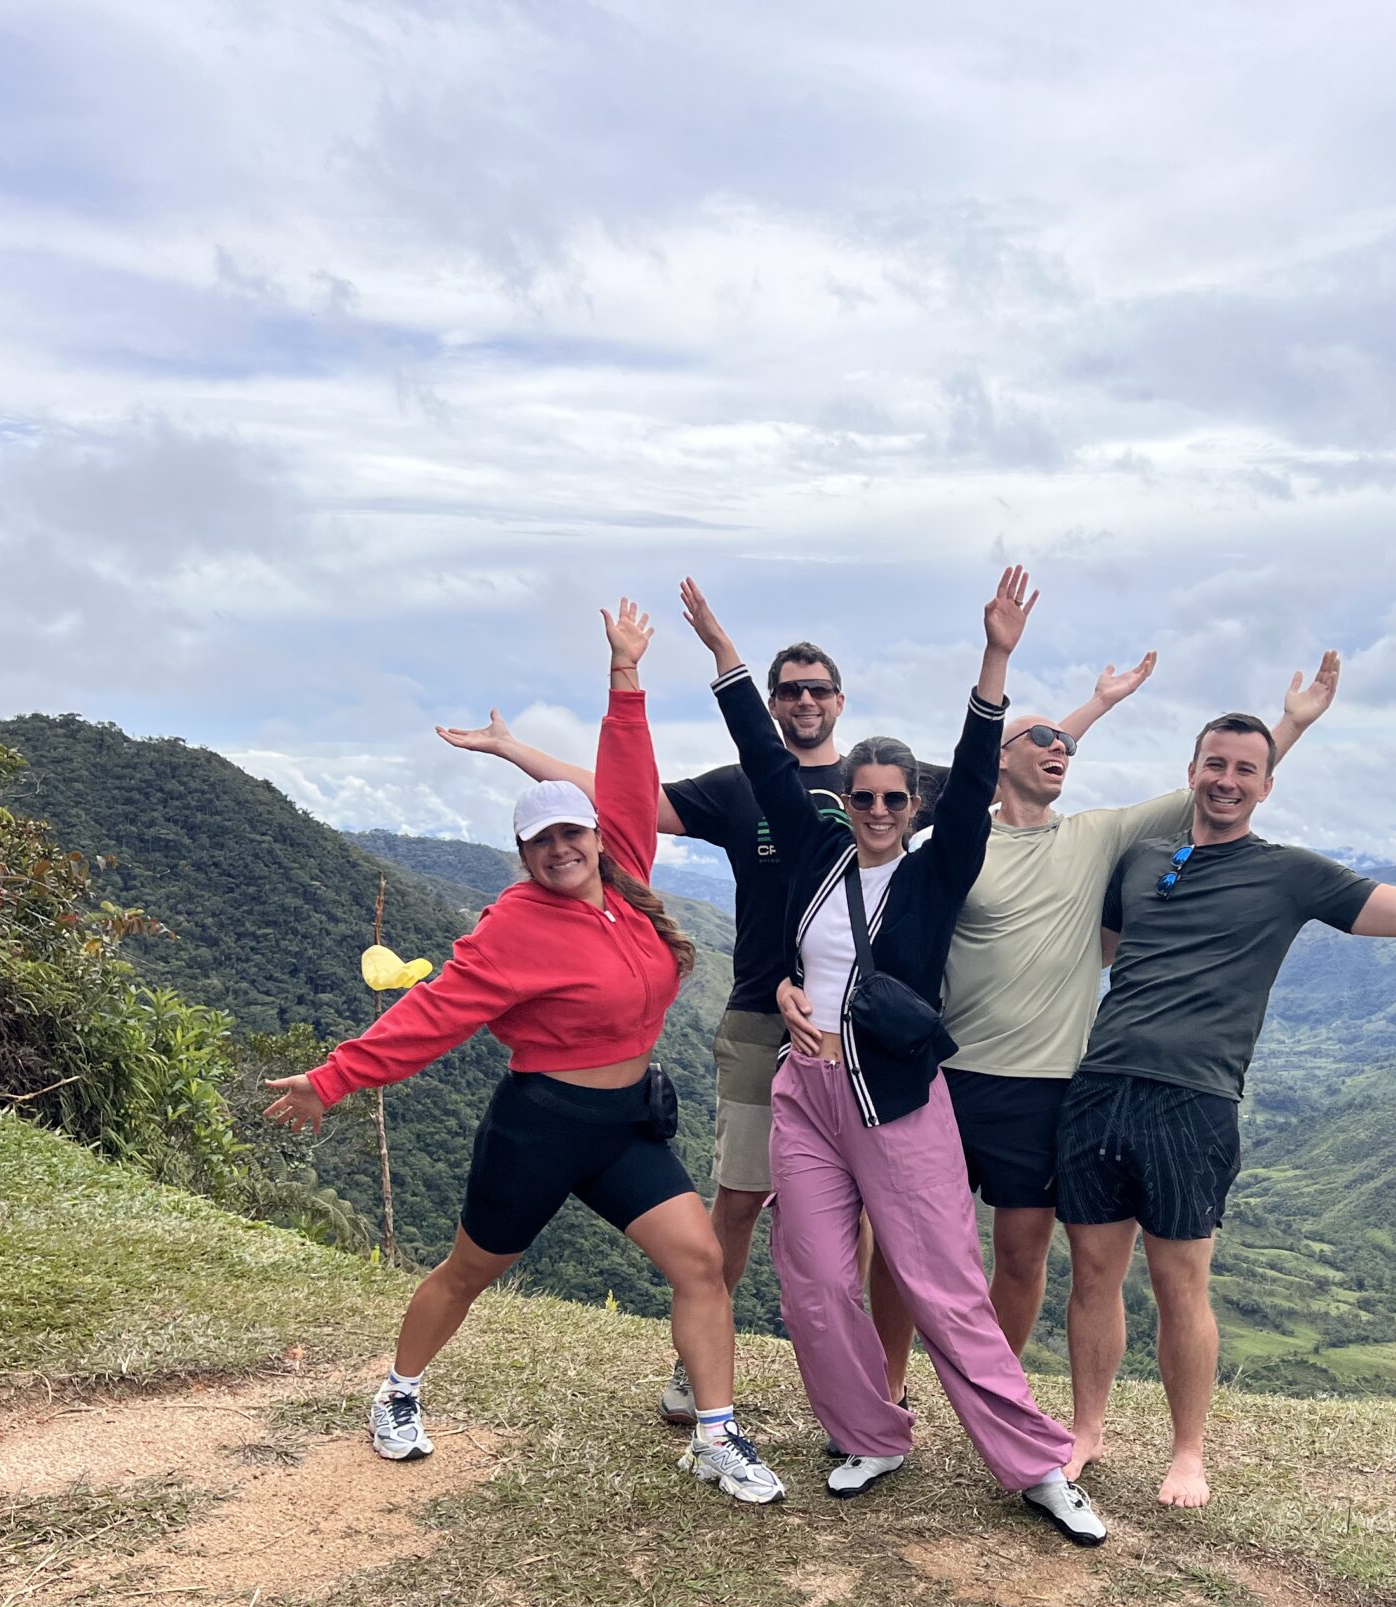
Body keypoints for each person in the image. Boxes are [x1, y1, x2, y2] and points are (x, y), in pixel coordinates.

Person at [441, 602, 1138, 1416]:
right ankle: (699, 1358)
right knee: (741, 1194)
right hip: (759, 1016)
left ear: (840, 702)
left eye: (818, 688)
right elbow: (624, 802)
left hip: (870, 1037)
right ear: (773, 703)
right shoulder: (748, 787)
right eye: (789, 690)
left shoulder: (884, 782)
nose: (804, 700)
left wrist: (1083, 710)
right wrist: (511, 749)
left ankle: (879, 1378)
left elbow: (997, 759)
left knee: (871, 1212)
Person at [263, 602, 785, 1505]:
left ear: (592, 835)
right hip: (541, 1125)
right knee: (471, 1272)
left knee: (699, 1262)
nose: (561, 849)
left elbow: (628, 773)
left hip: (625, 1122)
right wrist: (333, 1078)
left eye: (570, 833)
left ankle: (714, 1434)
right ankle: (398, 1392)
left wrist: (625, 677)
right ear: (523, 853)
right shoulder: (514, 929)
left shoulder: (625, 868)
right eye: (540, 840)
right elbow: (432, 1015)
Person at [1057, 708, 1396, 1508]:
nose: (1226, 780)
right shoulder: (1141, 861)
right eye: (1214, 764)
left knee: (1181, 1283)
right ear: (1191, 772)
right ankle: (1086, 1431)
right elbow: (1103, 952)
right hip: (1101, 1086)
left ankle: (1188, 1453)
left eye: (1244, 770)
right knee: (1091, 1277)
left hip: (1196, 1101)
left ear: (1267, 784)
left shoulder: (1290, 874)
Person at [706, 566, 1108, 1546]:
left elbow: (975, 780)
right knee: (813, 1279)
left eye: (895, 797)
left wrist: (995, 661)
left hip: (897, 1101)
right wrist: (721, 650)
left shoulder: (938, 871)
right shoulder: (813, 853)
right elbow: (763, 753)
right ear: (842, 799)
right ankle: (869, 1432)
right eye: (864, 796)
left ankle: (1038, 1466)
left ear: (915, 805)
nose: (879, 808)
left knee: (943, 1288)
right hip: (805, 1091)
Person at [868, 650, 1344, 1400]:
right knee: (907, 1248)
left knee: (1022, 1259)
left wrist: (1292, 722)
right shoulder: (957, 848)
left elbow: (1223, 785)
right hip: (948, 1076)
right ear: (1000, 762)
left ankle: (981, 1393)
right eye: (1044, 741)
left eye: (1070, 744)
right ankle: (885, 1389)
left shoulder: (1099, 837)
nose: (1061, 749)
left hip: (1051, 1086)